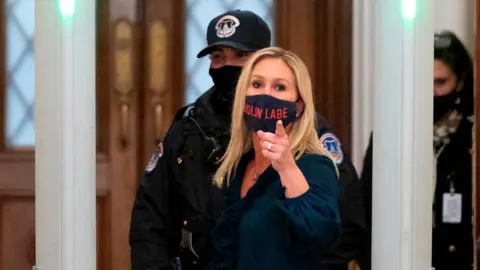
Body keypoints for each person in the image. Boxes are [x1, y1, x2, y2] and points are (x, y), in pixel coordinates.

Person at [129, 9, 366, 270]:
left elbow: (343, 226)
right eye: (218, 57)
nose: (228, 67)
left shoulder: (310, 140)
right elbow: (149, 220)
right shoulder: (189, 129)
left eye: (241, 56)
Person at [207, 47, 341, 270]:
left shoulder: (314, 166)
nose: (266, 95)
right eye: (257, 84)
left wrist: (287, 167)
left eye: (280, 87)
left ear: (298, 107)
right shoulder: (238, 167)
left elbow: (322, 235)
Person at [358, 30, 475, 270]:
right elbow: (366, 208)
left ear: (460, 81)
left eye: (440, 82)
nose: (431, 91)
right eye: (423, 80)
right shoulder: (389, 134)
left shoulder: (472, 136)